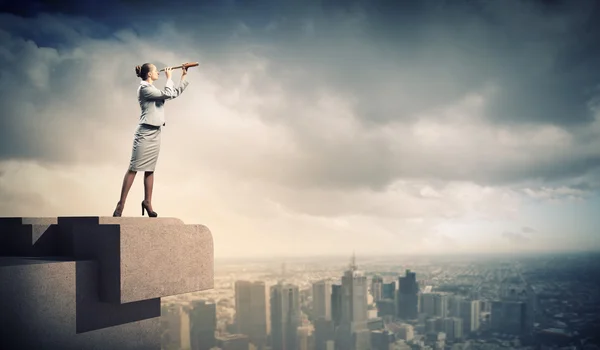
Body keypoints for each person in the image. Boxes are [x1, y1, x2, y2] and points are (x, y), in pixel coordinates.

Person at [112, 62, 190, 217]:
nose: (158, 73)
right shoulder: (144, 88)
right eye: (155, 71)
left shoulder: (153, 89)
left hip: (156, 133)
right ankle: (121, 204)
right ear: (149, 74)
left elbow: (173, 94)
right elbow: (167, 93)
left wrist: (183, 75)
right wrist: (169, 77)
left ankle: (147, 202)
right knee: (134, 168)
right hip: (145, 132)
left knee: (150, 169)